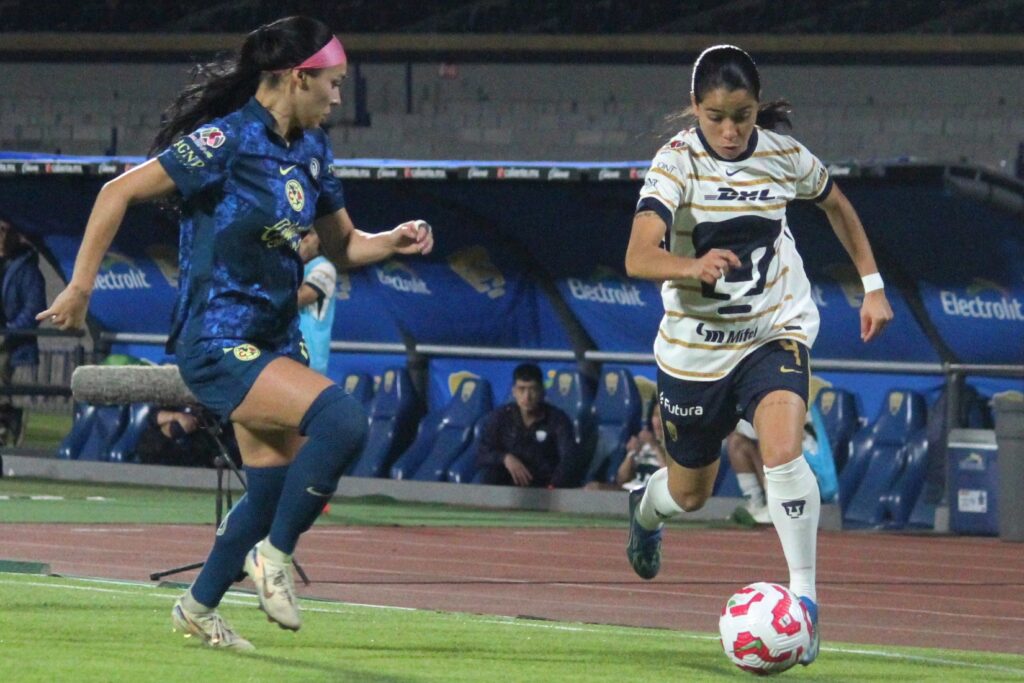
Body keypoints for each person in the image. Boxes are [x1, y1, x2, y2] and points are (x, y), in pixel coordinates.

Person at [38, 16, 433, 651]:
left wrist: (394, 240)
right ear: (298, 77)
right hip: (218, 339)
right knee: (344, 423)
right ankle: (273, 560)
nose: (339, 96)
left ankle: (196, 608)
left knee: (270, 487)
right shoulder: (224, 140)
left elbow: (344, 246)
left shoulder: (312, 151)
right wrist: (80, 287)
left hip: (275, 338)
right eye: (333, 84)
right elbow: (116, 193)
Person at [623, 44, 893, 667]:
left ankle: (805, 604)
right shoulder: (675, 166)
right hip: (695, 353)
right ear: (695, 108)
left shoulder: (782, 156)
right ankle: (645, 507)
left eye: (741, 115)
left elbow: (837, 206)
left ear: (755, 107)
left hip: (774, 329)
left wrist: (872, 286)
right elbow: (639, 256)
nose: (729, 129)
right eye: (715, 115)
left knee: (782, 447)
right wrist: (691, 266)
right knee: (691, 493)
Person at [477, 363, 578, 488]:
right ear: (514, 391)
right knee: (490, 474)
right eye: (521, 389)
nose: (527, 396)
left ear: (542, 391)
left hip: (543, 485)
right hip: (509, 484)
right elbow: (482, 453)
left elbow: (568, 459)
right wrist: (505, 458)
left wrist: (554, 485)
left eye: (533, 389)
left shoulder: (557, 420)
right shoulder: (500, 417)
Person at [0, 217, 46, 447]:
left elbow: (34, 308)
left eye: (8, 231)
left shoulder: (26, 269)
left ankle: (10, 425)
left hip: (14, 347)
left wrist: (8, 333)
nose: (3, 237)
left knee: (9, 394)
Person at [585, 403, 667, 492]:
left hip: (651, 494)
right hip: (631, 490)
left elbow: (669, 476)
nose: (658, 420)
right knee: (592, 488)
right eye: (655, 415)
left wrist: (655, 446)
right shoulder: (645, 444)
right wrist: (631, 453)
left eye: (662, 415)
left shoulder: (673, 448)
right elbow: (621, 479)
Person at [297, 230, 336, 376]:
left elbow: (298, 299)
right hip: (287, 352)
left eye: (308, 234)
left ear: (317, 238)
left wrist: (296, 259)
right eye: (301, 235)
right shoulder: (288, 267)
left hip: (311, 357)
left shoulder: (324, 268)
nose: (304, 240)